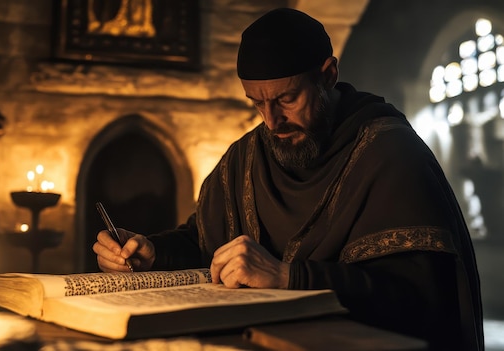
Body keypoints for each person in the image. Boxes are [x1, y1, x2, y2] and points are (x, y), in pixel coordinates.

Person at [93, 8, 484, 351]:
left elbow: (422, 299)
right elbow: (203, 242)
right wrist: (151, 252)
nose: (271, 121)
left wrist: (288, 276)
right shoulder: (245, 157)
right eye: (257, 103)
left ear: (327, 75)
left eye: (286, 99)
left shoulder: (391, 156)